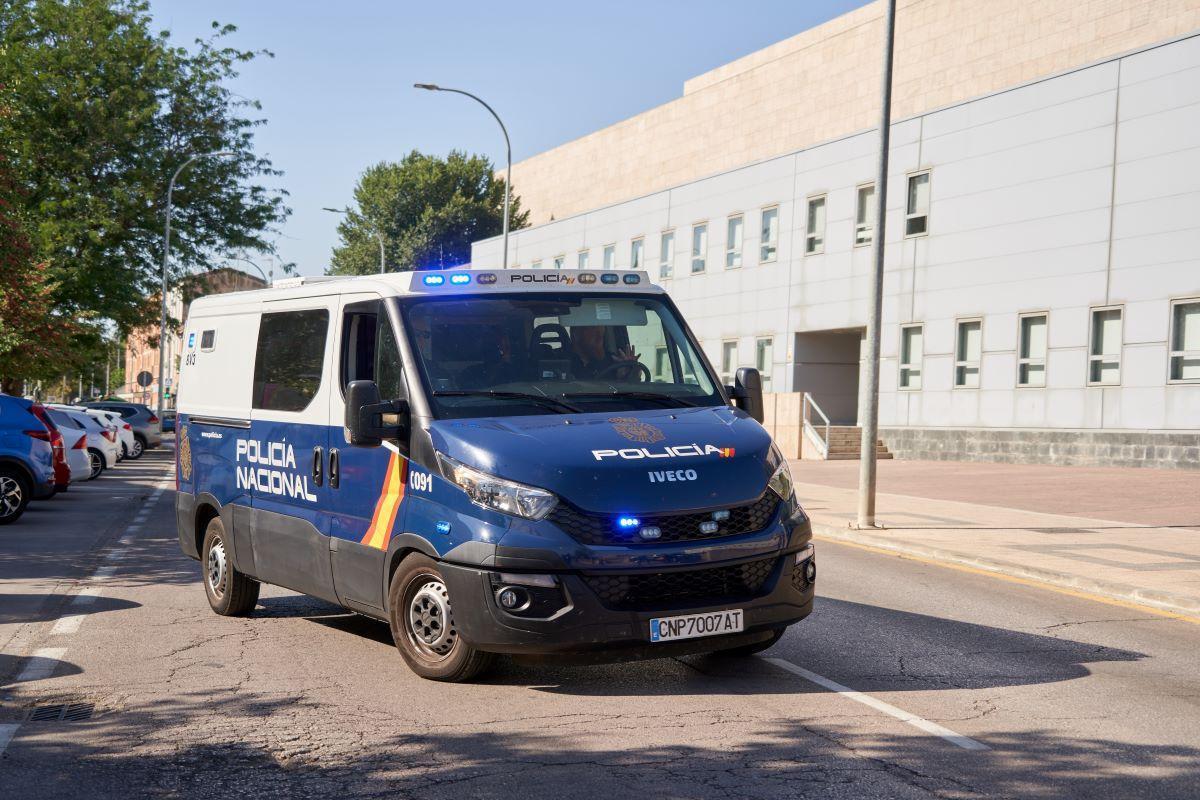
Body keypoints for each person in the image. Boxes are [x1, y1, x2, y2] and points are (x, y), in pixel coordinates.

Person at [569, 326, 640, 381]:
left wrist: (631, 372)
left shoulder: (613, 361)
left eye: (602, 327)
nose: (599, 332)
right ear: (576, 334)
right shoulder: (563, 362)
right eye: (592, 327)